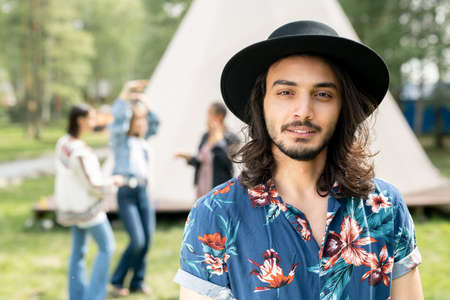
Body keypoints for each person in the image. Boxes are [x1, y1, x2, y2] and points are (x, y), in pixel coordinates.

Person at [174, 21, 423, 300]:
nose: (303, 111)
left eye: (322, 94)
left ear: (343, 107)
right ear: (261, 104)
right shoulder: (214, 215)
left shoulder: (385, 206)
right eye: (285, 92)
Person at [55, 103, 120, 300]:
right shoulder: (79, 152)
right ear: (80, 120)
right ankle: (94, 297)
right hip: (87, 209)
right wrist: (114, 183)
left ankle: (77, 296)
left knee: (79, 252)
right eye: (91, 118)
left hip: (72, 208)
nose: (94, 122)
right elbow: (93, 185)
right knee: (107, 247)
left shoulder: (63, 143)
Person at [108, 80, 160, 296]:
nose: (143, 124)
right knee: (137, 240)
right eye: (139, 120)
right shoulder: (121, 140)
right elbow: (118, 119)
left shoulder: (143, 141)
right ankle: (116, 280)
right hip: (127, 193)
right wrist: (126, 92)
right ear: (132, 122)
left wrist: (145, 103)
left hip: (143, 192)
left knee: (147, 239)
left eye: (143, 120)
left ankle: (137, 282)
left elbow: (156, 122)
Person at [175, 102, 239, 198]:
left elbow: (227, 163)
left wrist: (219, 142)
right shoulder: (205, 136)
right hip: (202, 186)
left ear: (220, 116)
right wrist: (187, 157)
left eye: (210, 114)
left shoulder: (231, 138)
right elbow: (201, 160)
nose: (207, 117)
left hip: (220, 188)